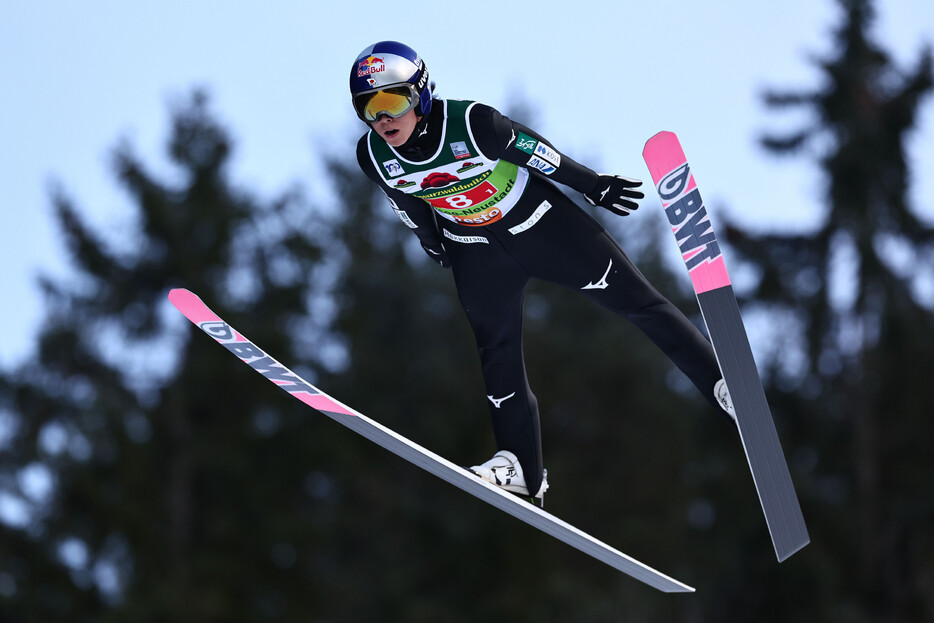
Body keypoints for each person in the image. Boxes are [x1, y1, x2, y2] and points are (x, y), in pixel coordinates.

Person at [351, 41, 734, 503]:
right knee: (496, 351)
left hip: (540, 227)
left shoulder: (473, 124)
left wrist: (593, 186)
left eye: (392, 101)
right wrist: (432, 243)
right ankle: (520, 467)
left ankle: (720, 383)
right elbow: (407, 201)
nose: (383, 118)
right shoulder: (374, 155)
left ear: (422, 93)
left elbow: (537, 153)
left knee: (638, 302)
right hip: (476, 250)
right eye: (369, 108)